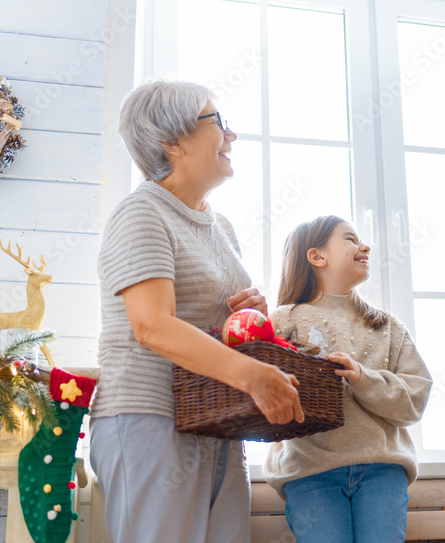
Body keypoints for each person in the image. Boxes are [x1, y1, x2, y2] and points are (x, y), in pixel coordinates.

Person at [90, 80, 305, 543]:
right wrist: (251, 374)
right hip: (150, 417)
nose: (232, 136)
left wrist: (251, 317)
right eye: (218, 123)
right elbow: (153, 327)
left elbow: (212, 324)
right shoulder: (141, 212)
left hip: (216, 420)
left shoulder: (221, 227)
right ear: (172, 141)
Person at [265, 216, 432, 543]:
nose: (364, 246)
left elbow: (415, 400)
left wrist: (362, 378)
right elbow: (261, 393)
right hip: (308, 472)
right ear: (317, 257)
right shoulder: (281, 322)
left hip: (382, 471)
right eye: (351, 239)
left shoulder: (388, 328)